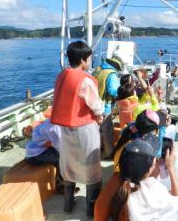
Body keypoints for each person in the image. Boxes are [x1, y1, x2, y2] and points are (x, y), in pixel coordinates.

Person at [50, 41, 104, 217]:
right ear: (83, 60)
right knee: (91, 165)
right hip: (85, 127)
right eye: (89, 58)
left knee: (69, 164)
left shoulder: (62, 75)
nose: (90, 61)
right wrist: (100, 115)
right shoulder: (85, 80)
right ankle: (90, 208)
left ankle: (68, 203)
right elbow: (96, 105)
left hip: (66, 128)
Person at [110, 135, 178, 221]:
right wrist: (171, 169)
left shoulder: (117, 185)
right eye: (154, 159)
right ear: (152, 166)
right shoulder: (157, 191)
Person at [93, 55, 123, 159]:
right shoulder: (111, 74)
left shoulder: (97, 70)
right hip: (104, 107)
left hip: (92, 105)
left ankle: (97, 150)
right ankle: (108, 153)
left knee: (96, 130)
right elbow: (112, 91)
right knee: (107, 130)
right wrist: (122, 93)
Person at [25, 119, 63, 190]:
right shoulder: (54, 128)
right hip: (35, 156)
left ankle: (61, 181)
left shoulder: (50, 121)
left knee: (60, 156)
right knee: (62, 160)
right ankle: (61, 186)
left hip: (37, 150)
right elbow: (60, 147)